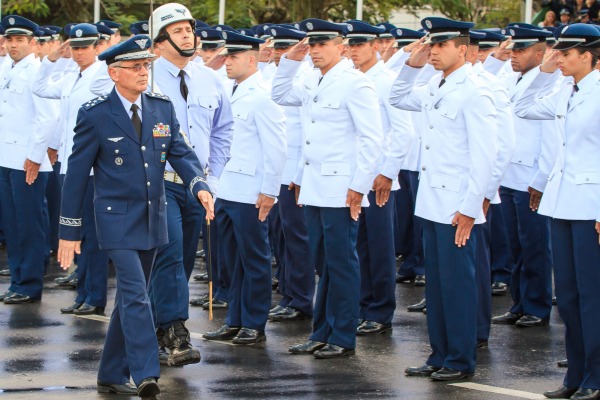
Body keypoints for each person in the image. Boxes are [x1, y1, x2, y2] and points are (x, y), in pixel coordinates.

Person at [56, 35, 214, 399]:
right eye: (135, 67)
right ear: (114, 73)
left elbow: (180, 151)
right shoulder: (95, 114)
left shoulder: (160, 107)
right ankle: (146, 373)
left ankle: (110, 373)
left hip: (152, 216)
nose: (144, 72)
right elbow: (76, 175)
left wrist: (198, 184)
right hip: (115, 220)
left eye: (146, 66)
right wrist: (69, 230)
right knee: (136, 295)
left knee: (132, 297)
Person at [390, 17, 497, 380]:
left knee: (458, 287)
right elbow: (397, 96)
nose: (433, 51)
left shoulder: (476, 91)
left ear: (462, 49)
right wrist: (413, 62)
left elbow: (485, 156)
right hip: (432, 202)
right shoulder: (436, 84)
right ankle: (439, 354)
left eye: (440, 45)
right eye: (431, 45)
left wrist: (470, 209)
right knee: (436, 286)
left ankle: (461, 360)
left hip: (456, 208)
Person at [272, 18, 383, 359]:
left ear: (341, 46)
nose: (316, 50)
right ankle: (322, 331)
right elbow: (278, 94)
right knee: (323, 262)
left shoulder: (355, 84)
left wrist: (358, 185)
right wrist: (292, 58)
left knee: (341, 263)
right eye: (312, 44)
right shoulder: (310, 79)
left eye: (323, 44)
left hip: (341, 188)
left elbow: (372, 139)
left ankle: (343, 335)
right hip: (315, 185)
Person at [513, 23, 600, 400]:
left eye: (565, 54)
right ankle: (576, 375)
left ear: (589, 56)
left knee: (592, 294)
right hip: (562, 203)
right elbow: (519, 106)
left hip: (591, 207)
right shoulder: (565, 89)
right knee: (567, 296)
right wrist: (543, 73)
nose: (558, 58)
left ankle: (595, 377)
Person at [147, 2, 234, 366]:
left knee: (180, 262)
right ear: (159, 40)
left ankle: (151, 326)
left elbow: (223, 128)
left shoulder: (209, 78)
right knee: (168, 256)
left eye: (189, 29)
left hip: (196, 184)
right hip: (158, 183)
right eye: (178, 30)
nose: (188, 35)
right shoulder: (146, 75)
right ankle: (176, 332)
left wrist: (211, 175)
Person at [203, 30, 286, 345]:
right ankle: (234, 319)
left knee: (254, 258)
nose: (227, 62)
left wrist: (269, 191)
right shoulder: (228, 90)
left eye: (233, 57)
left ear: (252, 59)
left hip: (251, 191)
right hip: (225, 187)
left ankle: (254, 322)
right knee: (231, 260)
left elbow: (276, 148)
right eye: (226, 56)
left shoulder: (265, 95)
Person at [33, 23, 110, 316]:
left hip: (91, 169)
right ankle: (83, 293)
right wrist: (53, 58)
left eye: (84, 47)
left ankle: (95, 295)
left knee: (92, 234)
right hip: (69, 163)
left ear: (96, 48)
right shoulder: (69, 77)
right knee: (75, 230)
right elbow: (39, 88)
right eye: (74, 48)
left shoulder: (102, 77)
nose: (78, 53)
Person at [345, 20, 413, 335]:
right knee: (359, 246)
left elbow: (403, 132)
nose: (354, 50)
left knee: (379, 247)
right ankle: (363, 304)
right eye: (351, 44)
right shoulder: (350, 80)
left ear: (376, 45)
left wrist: (387, 172)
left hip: (378, 181)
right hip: (355, 177)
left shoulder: (386, 81)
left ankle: (380, 310)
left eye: (360, 44)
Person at [485, 27, 555, 328]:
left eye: (520, 50)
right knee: (516, 247)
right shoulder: (509, 78)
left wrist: (540, 180)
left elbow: (550, 139)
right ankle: (519, 302)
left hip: (530, 179)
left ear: (540, 54)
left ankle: (537, 306)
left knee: (535, 246)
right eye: (512, 50)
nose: (512, 55)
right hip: (511, 176)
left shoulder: (549, 85)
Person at [0, 15, 55, 304]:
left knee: (30, 224)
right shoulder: (5, 68)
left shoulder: (37, 72)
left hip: (27, 161)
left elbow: (47, 118)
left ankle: (30, 283)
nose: (13, 45)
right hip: (5, 159)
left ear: (33, 43)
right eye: (9, 39)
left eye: (19, 40)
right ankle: (17, 279)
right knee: (12, 224)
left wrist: (34, 157)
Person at [263, 25, 315, 323]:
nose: (279, 54)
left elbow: (305, 133)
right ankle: (288, 292)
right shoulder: (275, 76)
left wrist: (298, 172)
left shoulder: (306, 77)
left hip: (296, 171)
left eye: (286, 49)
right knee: (281, 237)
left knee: (297, 237)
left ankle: (301, 298)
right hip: (279, 170)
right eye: (277, 49)